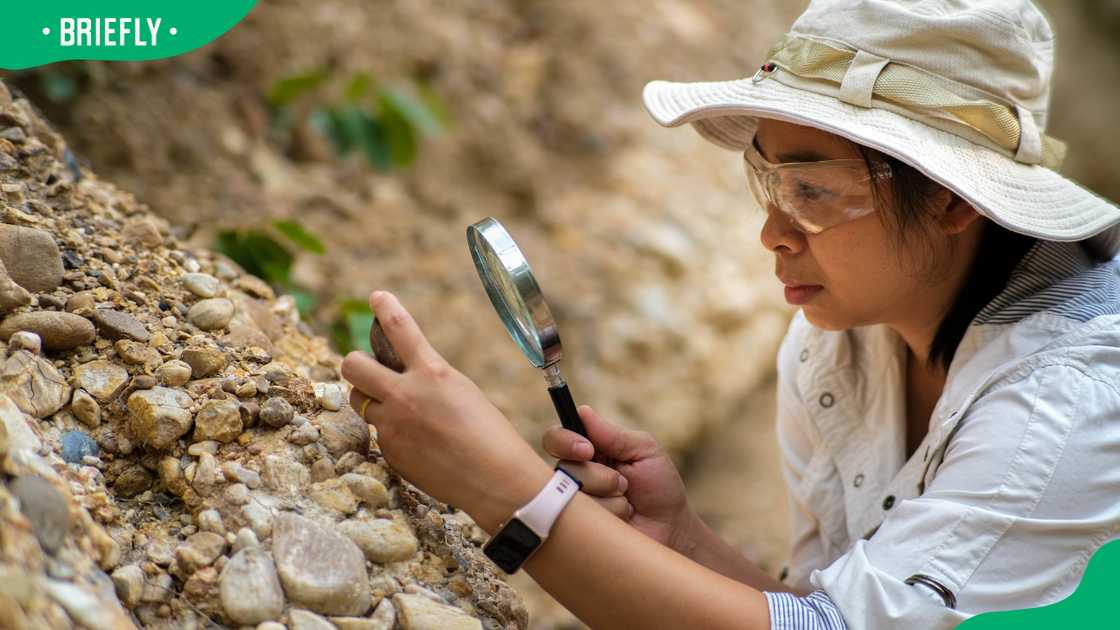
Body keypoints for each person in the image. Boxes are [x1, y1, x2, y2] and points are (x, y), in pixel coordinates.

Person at [341, 0, 1120, 627]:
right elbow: (824, 613)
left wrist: (508, 491)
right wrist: (680, 538)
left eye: (813, 191)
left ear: (952, 201)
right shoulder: (835, 352)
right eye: (768, 181)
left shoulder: (1066, 401)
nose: (772, 235)